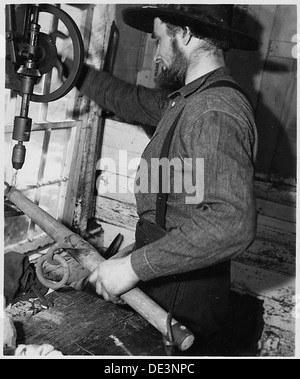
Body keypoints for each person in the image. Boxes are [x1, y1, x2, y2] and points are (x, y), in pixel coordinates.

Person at [61, 4, 259, 353]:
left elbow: (232, 223)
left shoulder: (214, 110)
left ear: (184, 34)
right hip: (165, 283)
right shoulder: (188, 100)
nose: (156, 54)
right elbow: (130, 100)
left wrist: (132, 268)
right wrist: (70, 66)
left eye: (158, 40)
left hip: (183, 304)